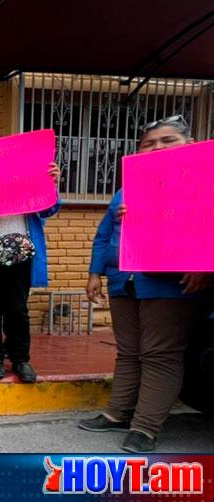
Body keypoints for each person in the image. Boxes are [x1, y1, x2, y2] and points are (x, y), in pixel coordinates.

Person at [79, 115, 214, 453]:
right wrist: (96, 273)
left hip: (170, 282)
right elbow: (104, 234)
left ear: (190, 145)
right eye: (148, 143)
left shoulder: (203, 180)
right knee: (129, 351)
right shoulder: (127, 188)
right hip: (124, 280)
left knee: (160, 354)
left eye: (167, 141)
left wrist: (207, 265)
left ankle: (145, 427)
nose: (157, 147)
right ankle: (117, 414)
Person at [0, 152, 60, 382]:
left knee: (18, 310)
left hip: (21, 256)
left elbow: (49, 209)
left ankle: (20, 359)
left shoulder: (26, 180)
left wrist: (51, 185)